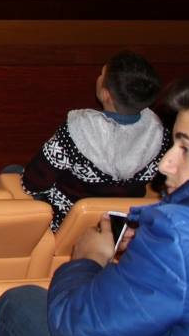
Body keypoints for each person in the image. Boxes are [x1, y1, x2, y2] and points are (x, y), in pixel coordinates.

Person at [0, 74, 189, 336]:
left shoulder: (178, 235)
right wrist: (147, 253)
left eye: (186, 148)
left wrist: (88, 258)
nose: (165, 164)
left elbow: (78, 329)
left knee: (19, 302)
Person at [18, 50, 169, 230]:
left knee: (12, 171)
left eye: (101, 74)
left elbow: (33, 182)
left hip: (65, 221)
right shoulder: (161, 135)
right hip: (119, 224)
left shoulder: (75, 131)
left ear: (106, 95)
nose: (98, 77)